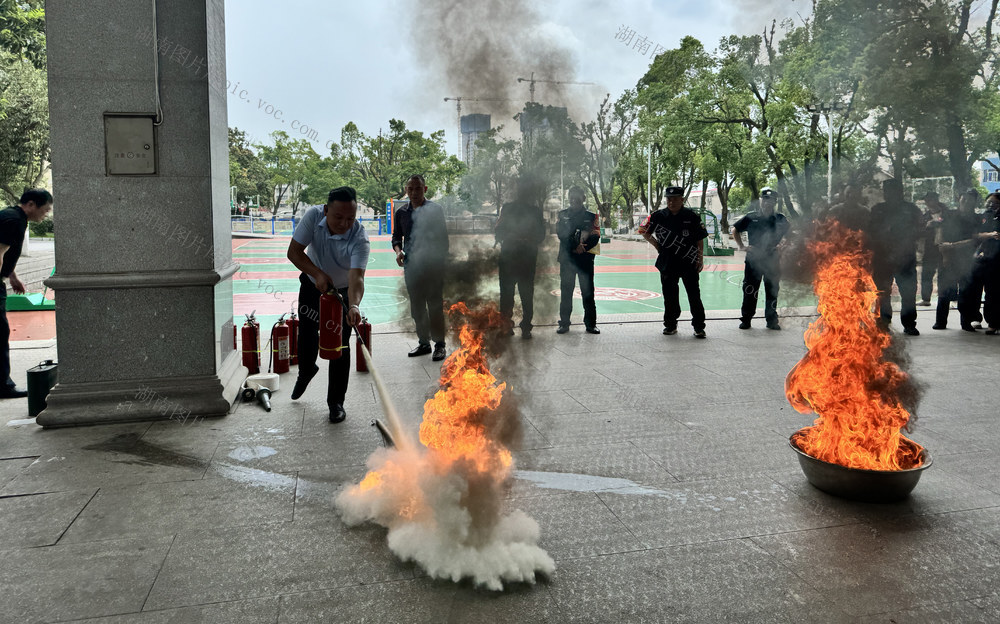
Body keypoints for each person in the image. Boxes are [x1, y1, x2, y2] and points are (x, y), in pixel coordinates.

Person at [287, 186, 369, 423]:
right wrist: (317, 273)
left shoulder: (360, 237)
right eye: (338, 217)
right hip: (312, 285)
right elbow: (294, 252)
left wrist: (353, 306)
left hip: (343, 292)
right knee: (308, 332)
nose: (344, 224)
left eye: (350, 218)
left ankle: (336, 402)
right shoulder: (313, 216)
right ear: (325, 211)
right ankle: (306, 371)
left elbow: (357, 278)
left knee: (339, 345)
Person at [0, 189, 54, 399]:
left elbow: (5, 252)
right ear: (31, 204)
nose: (46, 214)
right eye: (46, 209)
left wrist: (12, 276)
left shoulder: (10, 216)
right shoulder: (15, 221)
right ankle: (3, 386)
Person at [392, 174, 450, 360]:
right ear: (406, 190)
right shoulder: (401, 212)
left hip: (433, 266)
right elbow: (396, 237)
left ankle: (439, 345)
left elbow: (443, 239)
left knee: (434, 306)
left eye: (417, 188)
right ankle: (423, 343)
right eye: (410, 189)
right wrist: (398, 252)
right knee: (417, 307)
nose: (414, 192)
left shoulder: (435, 210)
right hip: (412, 267)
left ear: (425, 189)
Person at [639, 186, 708, 338]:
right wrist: (657, 245)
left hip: (688, 261)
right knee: (669, 296)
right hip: (667, 261)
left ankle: (699, 327)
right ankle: (670, 325)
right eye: (669, 199)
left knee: (694, 295)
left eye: (675, 199)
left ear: (682, 200)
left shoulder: (692, 216)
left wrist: (700, 258)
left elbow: (699, 239)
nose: (671, 202)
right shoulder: (658, 216)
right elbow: (643, 230)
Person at [869, 179, 923, 335]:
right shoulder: (878, 210)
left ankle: (909, 323)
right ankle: (883, 323)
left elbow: (920, 230)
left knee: (908, 293)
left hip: (905, 259)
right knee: (882, 293)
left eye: (894, 191)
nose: (890, 194)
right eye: (887, 191)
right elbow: (871, 232)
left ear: (900, 192)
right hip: (883, 259)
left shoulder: (911, 209)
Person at [495, 176, 546, 339]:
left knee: (525, 293)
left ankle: (526, 326)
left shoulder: (536, 211)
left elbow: (541, 235)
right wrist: (512, 236)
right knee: (507, 293)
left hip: (527, 258)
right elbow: (498, 231)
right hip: (509, 257)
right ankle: (506, 325)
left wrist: (526, 238)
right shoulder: (507, 208)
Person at [732, 188, 790, 330]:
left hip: (772, 258)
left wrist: (783, 245)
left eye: (770, 201)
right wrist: (742, 246)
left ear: (775, 202)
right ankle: (746, 319)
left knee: (772, 290)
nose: (767, 203)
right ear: (761, 201)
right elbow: (735, 230)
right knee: (750, 290)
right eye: (765, 200)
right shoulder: (751, 217)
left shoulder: (781, 219)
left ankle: (771, 321)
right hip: (754, 259)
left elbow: (790, 234)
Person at [556, 186, 601, 334]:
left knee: (588, 292)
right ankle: (564, 323)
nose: (574, 198)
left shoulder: (592, 216)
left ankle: (590, 324)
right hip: (567, 258)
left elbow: (595, 235)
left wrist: (584, 248)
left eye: (577, 196)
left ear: (584, 198)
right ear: (568, 197)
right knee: (566, 292)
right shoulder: (562, 215)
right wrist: (575, 247)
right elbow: (561, 234)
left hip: (585, 259)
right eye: (571, 195)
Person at [933, 189, 980, 330]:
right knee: (944, 290)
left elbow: (975, 240)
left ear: (975, 202)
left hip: (967, 260)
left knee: (965, 292)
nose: (966, 202)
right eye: (963, 199)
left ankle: (965, 322)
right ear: (959, 199)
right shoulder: (948, 215)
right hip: (946, 257)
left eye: (970, 200)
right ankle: (940, 321)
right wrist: (943, 250)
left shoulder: (977, 219)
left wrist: (952, 246)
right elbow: (939, 232)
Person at [960, 192, 1000, 334]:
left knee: (993, 292)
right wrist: (988, 236)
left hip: (996, 261)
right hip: (979, 259)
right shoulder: (982, 217)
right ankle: (975, 318)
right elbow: (974, 235)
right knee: (974, 290)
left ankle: (993, 322)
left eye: (994, 203)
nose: (990, 205)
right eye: (988, 202)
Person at [918, 191, 947, 306]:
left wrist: (941, 222)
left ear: (936, 199)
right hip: (930, 247)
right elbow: (919, 231)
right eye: (927, 200)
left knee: (945, 273)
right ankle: (926, 299)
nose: (929, 203)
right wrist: (927, 226)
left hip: (946, 246)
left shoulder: (947, 213)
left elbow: (952, 225)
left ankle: (948, 298)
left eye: (931, 199)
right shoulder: (925, 217)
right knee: (927, 273)